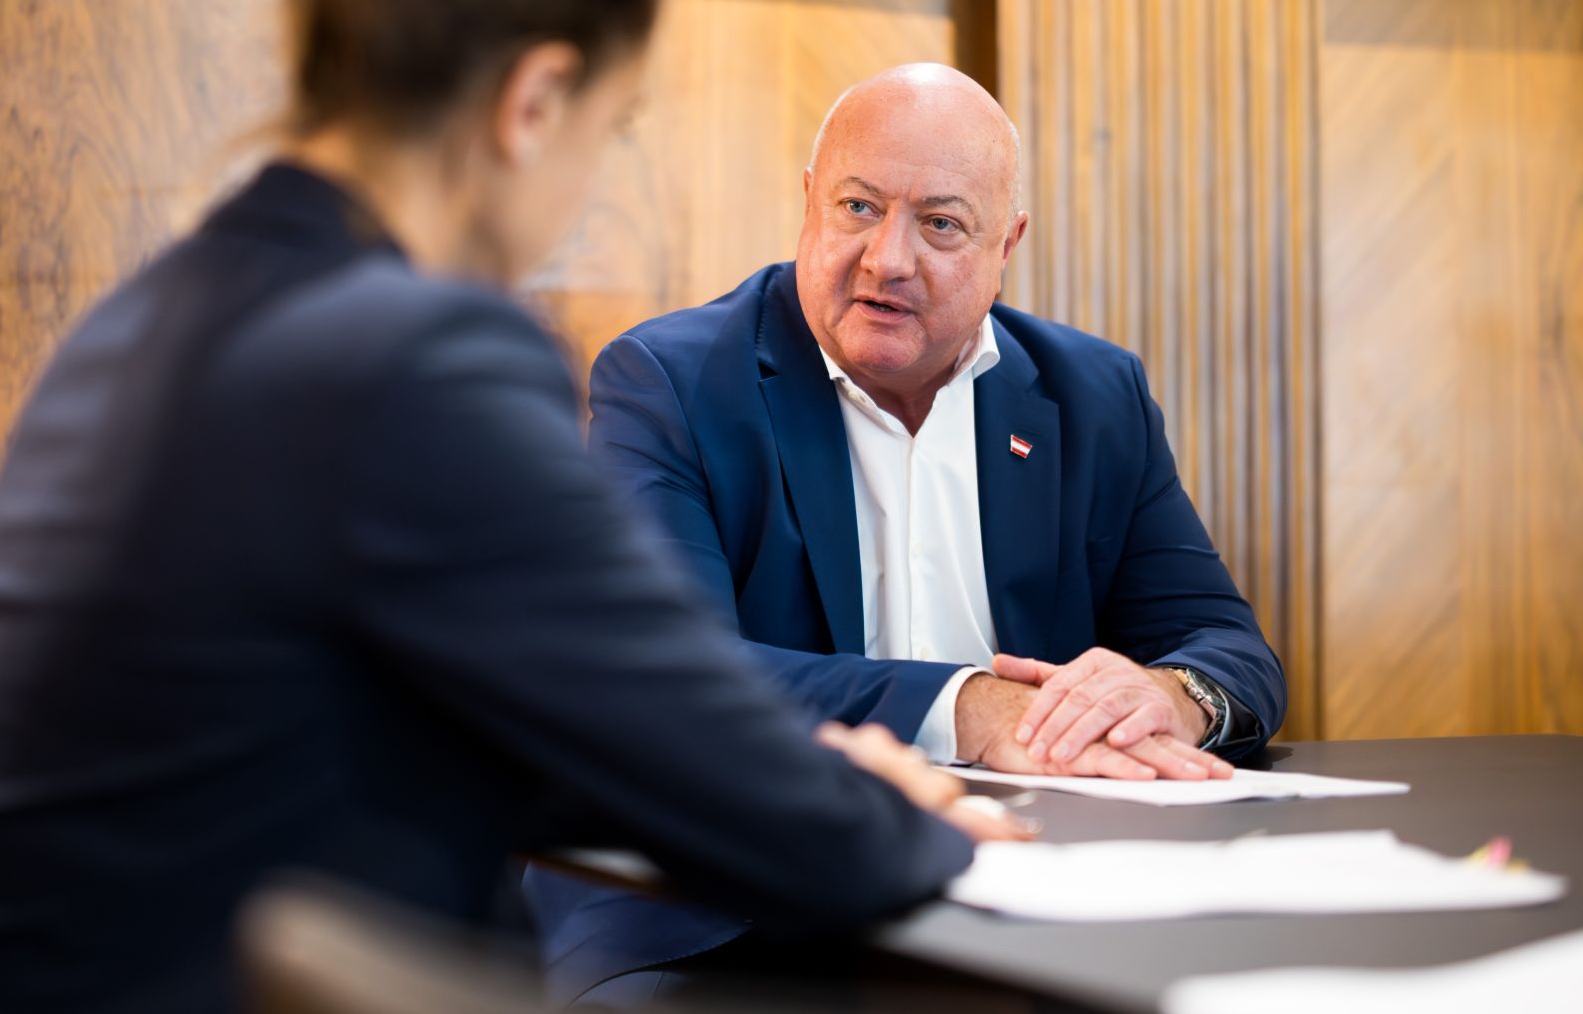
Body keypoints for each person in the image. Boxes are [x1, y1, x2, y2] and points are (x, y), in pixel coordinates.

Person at [0, 0, 1027, 1014]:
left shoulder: (154, 318)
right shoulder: (410, 356)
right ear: (533, 102)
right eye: (611, 126)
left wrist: (771, 769)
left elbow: (495, 729)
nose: (592, 178)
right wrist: (906, 820)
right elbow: (735, 786)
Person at [527, 63, 1287, 1002]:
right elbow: (669, 675)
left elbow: (1226, 642)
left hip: (1021, 899)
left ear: (1006, 243)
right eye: (857, 206)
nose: (888, 257)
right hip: (718, 908)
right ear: (809, 202)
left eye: (940, 224)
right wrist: (971, 707)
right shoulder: (673, 380)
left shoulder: (1094, 395)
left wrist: (1170, 696)